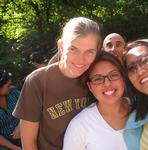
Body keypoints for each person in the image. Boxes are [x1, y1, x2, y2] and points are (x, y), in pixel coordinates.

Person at [13, 17, 101, 150]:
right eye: (73, 49)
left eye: (89, 52)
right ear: (61, 46)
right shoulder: (37, 81)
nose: (80, 60)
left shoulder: (96, 77)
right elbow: (29, 144)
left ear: (97, 50)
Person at [62, 51, 131, 150]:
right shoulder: (79, 126)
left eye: (114, 75)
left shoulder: (141, 108)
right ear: (90, 86)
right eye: (98, 79)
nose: (107, 84)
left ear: (123, 78)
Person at [0, 70, 21, 150]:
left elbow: (28, 108)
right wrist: (15, 148)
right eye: (8, 86)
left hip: (23, 132)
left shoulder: (13, 92)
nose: (10, 87)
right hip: (4, 143)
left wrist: (19, 126)